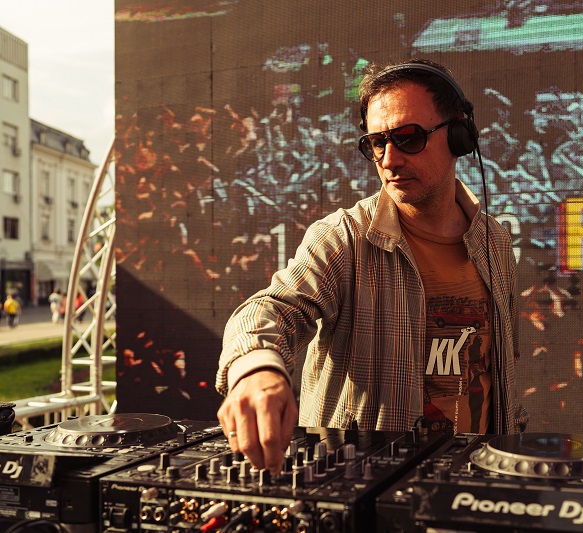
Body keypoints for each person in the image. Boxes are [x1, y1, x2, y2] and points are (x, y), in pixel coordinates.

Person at [216, 59, 528, 473]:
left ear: (458, 134)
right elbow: (270, 308)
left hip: (475, 480)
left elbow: (498, 372)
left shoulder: (495, 242)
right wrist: (256, 369)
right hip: (368, 482)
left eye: (408, 138)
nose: (389, 160)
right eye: (376, 143)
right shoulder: (343, 238)